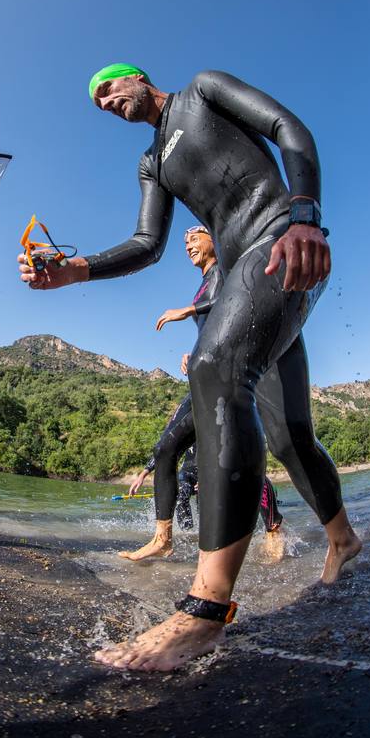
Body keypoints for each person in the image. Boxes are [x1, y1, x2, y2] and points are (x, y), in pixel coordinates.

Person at [18, 63, 361, 672]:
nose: (104, 103)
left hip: (282, 241)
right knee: (288, 435)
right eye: (96, 103)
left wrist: (305, 215)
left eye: (108, 89)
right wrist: (76, 270)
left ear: (139, 77)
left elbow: (288, 126)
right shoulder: (152, 163)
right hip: (242, 278)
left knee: (214, 365)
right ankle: (343, 538)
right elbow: (148, 243)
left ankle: (206, 609)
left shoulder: (203, 90)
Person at [119, 227, 282, 563]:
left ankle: (273, 528)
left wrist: (187, 310)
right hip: (206, 378)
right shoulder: (204, 283)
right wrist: (193, 356)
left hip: (231, 377)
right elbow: (213, 331)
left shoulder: (225, 269)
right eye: (185, 241)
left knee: (243, 460)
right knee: (165, 449)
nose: (188, 244)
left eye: (195, 237)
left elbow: (230, 304)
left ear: (215, 240)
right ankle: (163, 538)